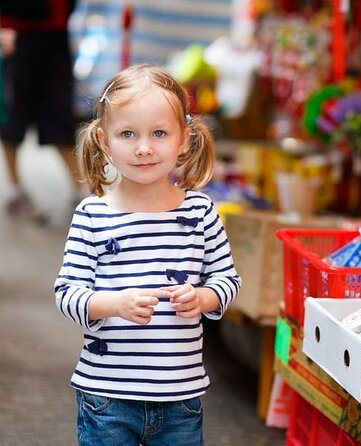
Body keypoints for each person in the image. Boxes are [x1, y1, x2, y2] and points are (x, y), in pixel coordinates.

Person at [54, 64, 241, 446]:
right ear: (105, 142)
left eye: (159, 133)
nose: (144, 147)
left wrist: (203, 297)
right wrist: (112, 304)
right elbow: (67, 293)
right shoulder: (93, 214)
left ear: (184, 139)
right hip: (106, 397)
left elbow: (228, 281)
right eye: (128, 134)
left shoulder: (200, 212)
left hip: (180, 398)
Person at [0, 0, 84, 221]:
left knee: (60, 116)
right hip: (17, 33)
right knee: (13, 115)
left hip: (55, 34)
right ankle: (15, 190)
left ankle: (83, 193)